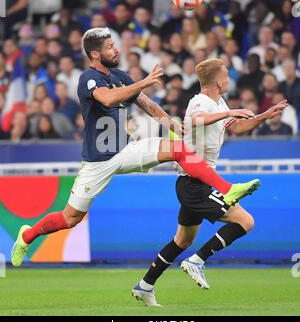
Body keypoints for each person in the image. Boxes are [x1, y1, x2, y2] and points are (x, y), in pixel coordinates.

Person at [11, 29, 260, 268]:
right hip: (98, 161)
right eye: (110, 47)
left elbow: (147, 104)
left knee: (179, 149)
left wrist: (172, 125)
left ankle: (228, 189)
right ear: (95, 54)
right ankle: (27, 236)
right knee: (70, 219)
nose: (115, 49)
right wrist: (143, 81)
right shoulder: (89, 78)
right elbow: (107, 98)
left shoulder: (120, 76)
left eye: (114, 45)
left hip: (125, 150)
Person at [133, 58, 287, 306]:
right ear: (218, 80)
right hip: (194, 183)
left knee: (182, 240)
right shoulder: (200, 101)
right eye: (226, 74)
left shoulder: (218, 102)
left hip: (195, 183)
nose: (229, 78)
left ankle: (145, 285)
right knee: (245, 221)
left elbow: (237, 128)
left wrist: (264, 116)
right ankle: (197, 261)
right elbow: (194, 121)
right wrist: (227, 112)